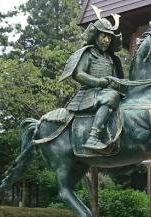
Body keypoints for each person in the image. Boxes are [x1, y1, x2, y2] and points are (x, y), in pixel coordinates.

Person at [60, 6, 124, 150]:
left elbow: (118, 79)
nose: (107, 40)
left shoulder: (111, 58)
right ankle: (93, 137)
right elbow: (78, 74)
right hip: (89, 93)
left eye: (109, 37)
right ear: (96, 36)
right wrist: (99, 81)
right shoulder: (88, 53)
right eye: (104, 36)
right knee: (112, 97)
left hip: (105, 92)